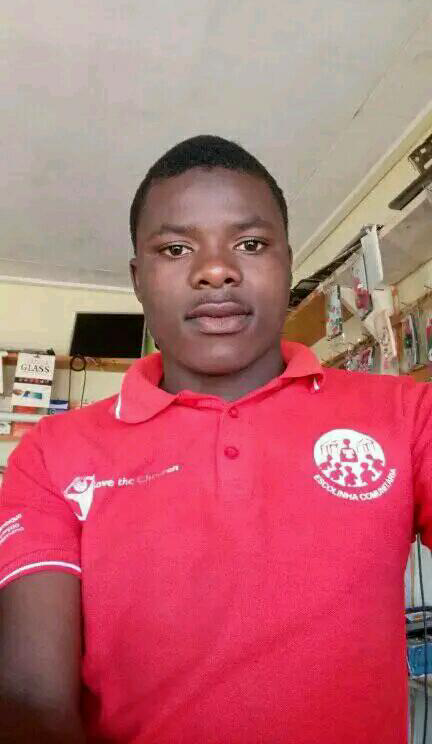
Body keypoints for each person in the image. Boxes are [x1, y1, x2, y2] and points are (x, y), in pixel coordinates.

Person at [0, 135, 431, 744]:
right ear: (138, 279)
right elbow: (30, 700)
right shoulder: (51, 452)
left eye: (250, 244)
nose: (215, 270)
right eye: (176, 248)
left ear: (288, 264)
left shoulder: (406, 415)